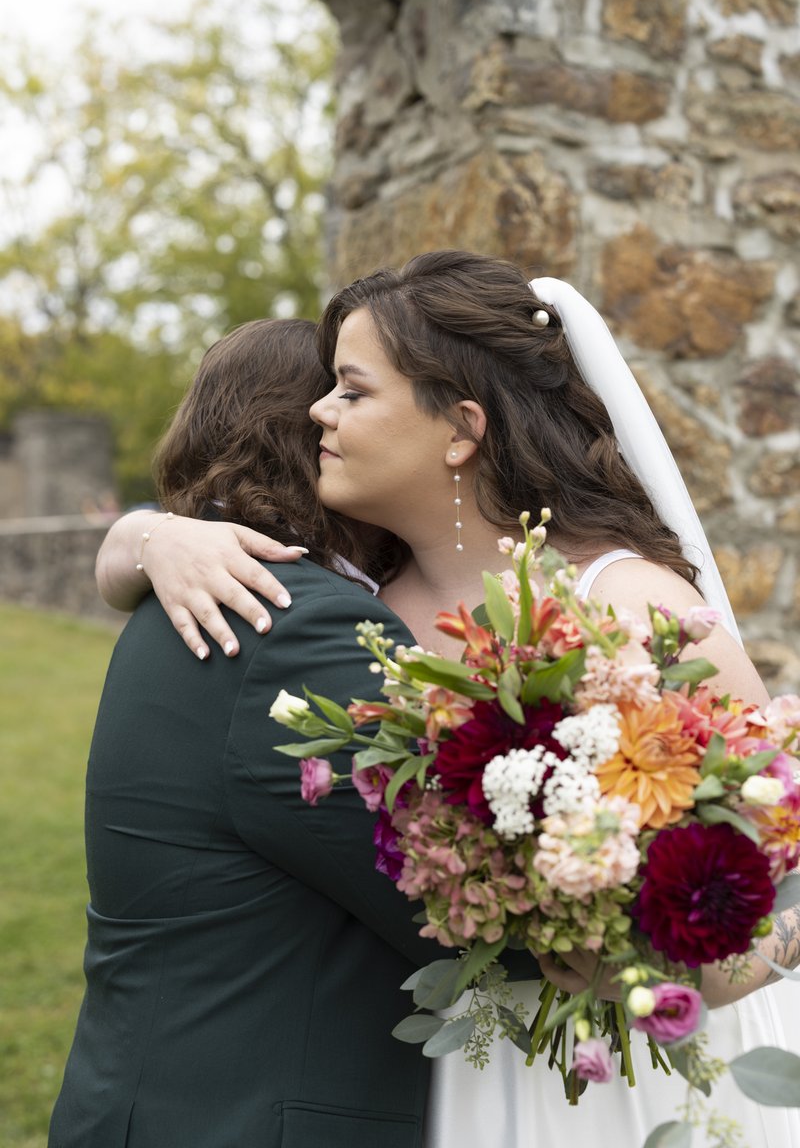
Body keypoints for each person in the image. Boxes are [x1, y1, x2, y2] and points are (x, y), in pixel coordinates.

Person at [95, 253, 800, 1146]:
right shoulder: (357, 605)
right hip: (455, 1078)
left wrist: (685, 965)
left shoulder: (637, 604)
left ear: (461, 428)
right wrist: (149, 535)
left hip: (634, 1075)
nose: (320, 409)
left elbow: (786, 861)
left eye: (352, 391)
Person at [49, 318, 445, 1148]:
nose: (345, 412)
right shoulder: (297, 624)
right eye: (339, 394)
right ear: (307, 433)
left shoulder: (194, 589)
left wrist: (144, 532)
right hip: (245, 1115)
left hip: (148, 1095)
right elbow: (446, 906)